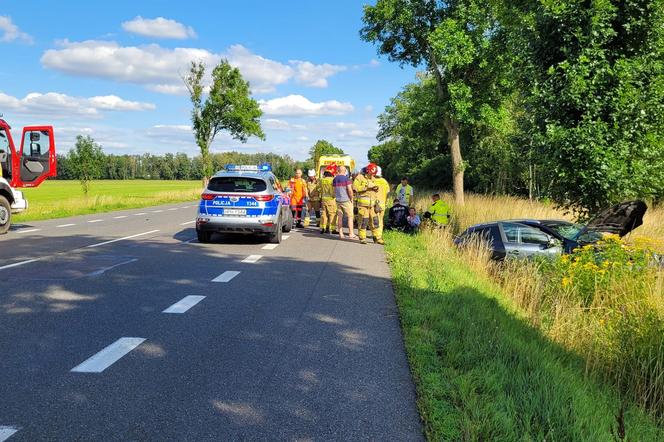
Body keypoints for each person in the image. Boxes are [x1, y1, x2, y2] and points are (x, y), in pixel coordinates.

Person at [354, 163, 384, 245]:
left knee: (375, 222)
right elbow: (355, 188)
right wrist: (366, 187)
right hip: (363, 206)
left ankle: (377, 238)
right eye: (371, 173)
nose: (372, 175)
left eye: (373, 174)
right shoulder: (359, 177)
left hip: (373, 205)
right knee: (364, 221)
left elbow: (376, 191)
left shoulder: (374, 178)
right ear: (368, 171)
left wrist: (376, 188)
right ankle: (362, 238)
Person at [333, 165, 357, 240]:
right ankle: (351, 233)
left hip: (338, 200)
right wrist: (351, 198)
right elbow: (349, 190)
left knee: (340, 217)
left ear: (338, 171)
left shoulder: (335, 179)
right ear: (344, 171)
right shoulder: (347, 179)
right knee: (350, 217)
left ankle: (341, 234)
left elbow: (334, 191)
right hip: (346, 200)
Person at [319, 168, 337, 234]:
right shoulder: (333, 180)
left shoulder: (322, 180)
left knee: (324, 214)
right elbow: (334, 190)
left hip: (323, 199)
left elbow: (318, 189)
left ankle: (322, 228)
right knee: (332, 214)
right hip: (331, 200)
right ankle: (332, 229)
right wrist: (334, 196)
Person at [374, 166, 390, 230]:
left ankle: (376, 235)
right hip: (382, 204)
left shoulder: (372, 181)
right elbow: (388, 193)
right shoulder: (384, 182)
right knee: (381, 220)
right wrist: (386, 203)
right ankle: (380, 235)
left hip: (374, 204)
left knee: (375, 220)